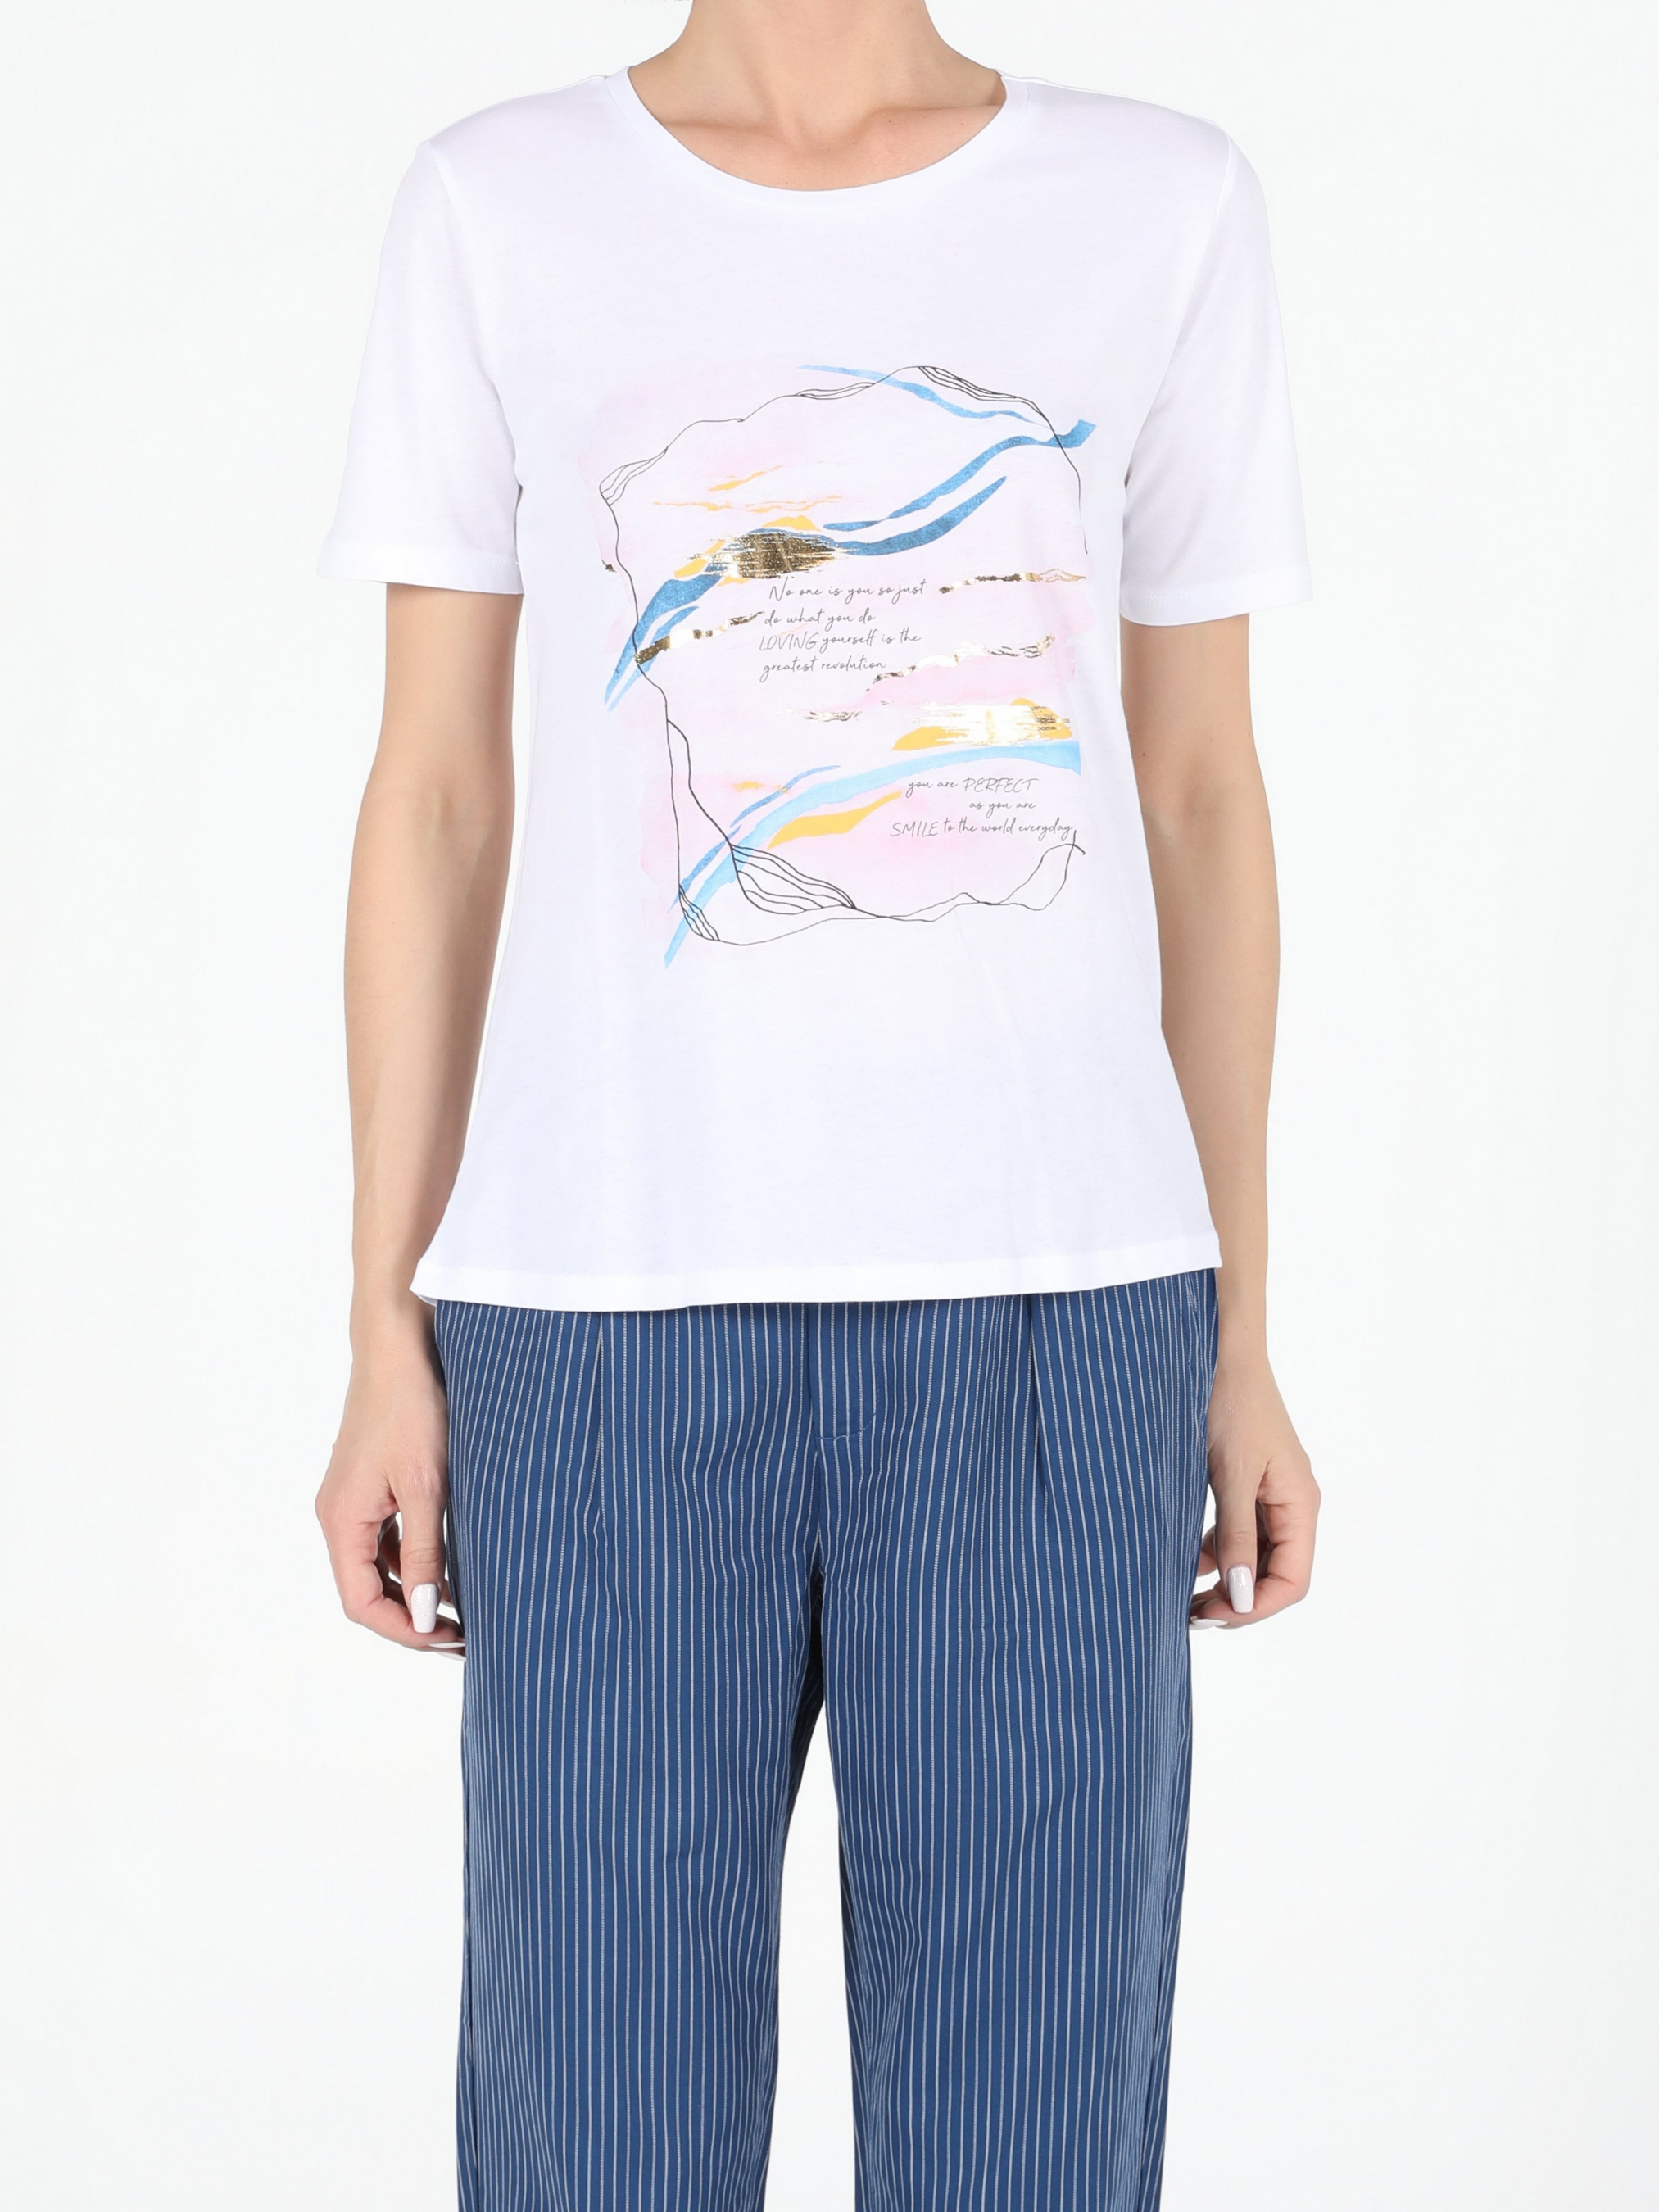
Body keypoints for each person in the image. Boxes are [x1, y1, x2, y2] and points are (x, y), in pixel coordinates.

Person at [315, 2, 1321, 2204]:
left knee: (1029, 2140)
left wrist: (1241, 1334)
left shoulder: (1159, 203)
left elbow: (1200, 794)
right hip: (598, 1311)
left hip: (1058, 1307)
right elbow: (437, 794)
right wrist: (384, 1319)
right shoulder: (499, 203)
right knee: (601, 2134)